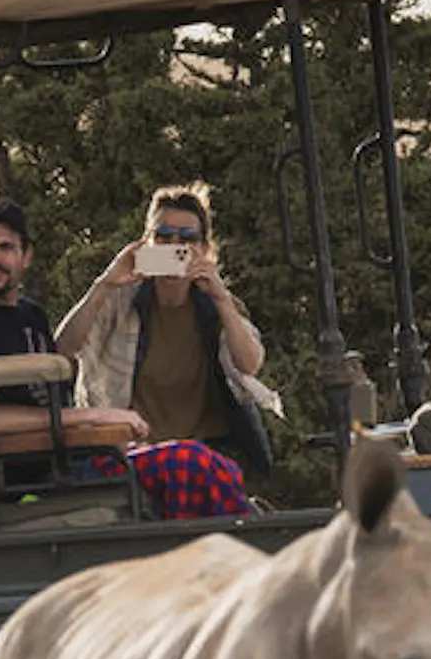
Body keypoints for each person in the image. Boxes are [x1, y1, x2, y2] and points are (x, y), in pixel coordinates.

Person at [0, 198, 251, 520]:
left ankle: (232, 544)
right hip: (41, 474)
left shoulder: (30, 315)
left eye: (5, 248)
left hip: (77, 455)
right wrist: (100, 418)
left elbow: (250, 363)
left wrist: (101, 432)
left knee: (217, 467)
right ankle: (257, 544)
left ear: (26, 256)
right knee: (188, 461)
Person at [54, 185, 281, 482]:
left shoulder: (216, 305)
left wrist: (222, 299)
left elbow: (250, 364)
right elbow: (62, 349)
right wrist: (104, 283)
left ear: (203, 248)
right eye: (163, 236)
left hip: (205, 451)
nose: (175, 246)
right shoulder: (120, 299)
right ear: (146, 242)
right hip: (132, 449)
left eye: (187, 238)